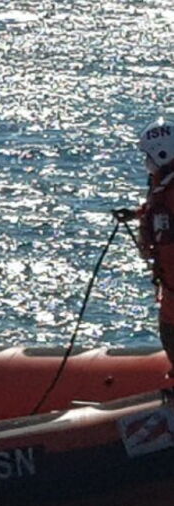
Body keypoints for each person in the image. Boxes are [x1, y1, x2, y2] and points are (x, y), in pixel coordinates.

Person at [116, 118, 174, 376]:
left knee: (171, 333)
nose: (146, 163)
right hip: (169, 283)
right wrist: (137, 214)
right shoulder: (165, 187)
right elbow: (158, 212)